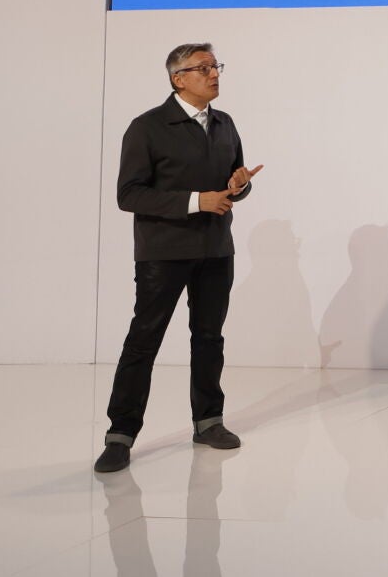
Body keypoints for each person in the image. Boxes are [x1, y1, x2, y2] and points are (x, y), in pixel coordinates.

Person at [95, 44, 263, 474]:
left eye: (215, 66)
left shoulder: (225, 124)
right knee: (143, 341)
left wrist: (240, 185)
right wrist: (195, 201)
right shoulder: (147, 127)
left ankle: (208, 422)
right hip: (164, 252)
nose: (214, 74)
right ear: (178, 78)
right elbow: (128, 194)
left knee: (209, 339)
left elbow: (231, 187)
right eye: (203, 68)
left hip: (215, 250)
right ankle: (120, 435)